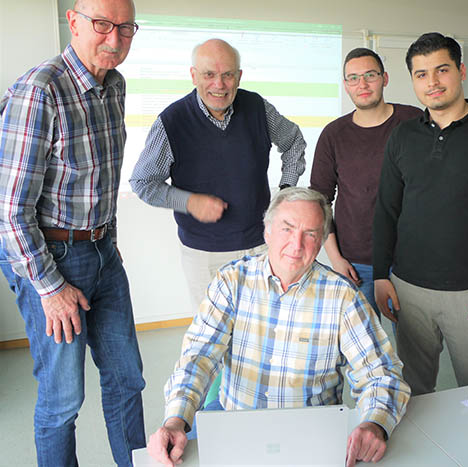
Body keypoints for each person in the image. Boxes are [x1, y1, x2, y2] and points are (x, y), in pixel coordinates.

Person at [146, 187, 410, 467]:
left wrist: (374, 424)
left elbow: (381, 374)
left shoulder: (343, 297)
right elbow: (197, 357)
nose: (297, 245)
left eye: (310, 234)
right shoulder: (232, 281)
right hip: (235, 422)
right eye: (287, 228)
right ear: (267, 232)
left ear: (320, 242)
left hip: (311, 436)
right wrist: (176, 420)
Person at [0, 1, 145, 465]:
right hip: (51, 261)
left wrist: (108, 244)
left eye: (125, 28)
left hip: (103, 252)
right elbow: (10, 209)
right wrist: (50, 288)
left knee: (128, 380)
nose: (114, 38)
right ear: (74, 21)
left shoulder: (114, 85)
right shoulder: (39, 90)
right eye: (103, 24)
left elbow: (101, 180)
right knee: (63, 399)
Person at [372, 32, 468, 395]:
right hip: (409, 290)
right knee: (414, 392)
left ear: (461, 71)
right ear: (412, 80)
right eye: (421, 74)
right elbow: (386, 208)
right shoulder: (402, 136)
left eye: (442, 70)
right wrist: (381, 274)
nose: (433, 82)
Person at [130, 38, 306, 309]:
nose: (219, 85)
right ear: (193, 76)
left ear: (239, 76)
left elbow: (293, 141)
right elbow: (143, 182)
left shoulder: (258, 107)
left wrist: (285, 192)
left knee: (262, 332)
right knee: (213, 337)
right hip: (204, 255)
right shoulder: (171, 121)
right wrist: (189, 202)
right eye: (209, 74)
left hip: (261, 246)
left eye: (227, 75)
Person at [310, 48, 421, 314]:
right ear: (346, 85)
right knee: (360, 347)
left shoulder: (414, 121)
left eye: (370, 75)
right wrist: (335, 259)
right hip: (356, 264)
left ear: (384, 78)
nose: (362, 84)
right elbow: (320, 202)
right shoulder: (333, 134)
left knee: (411, 346)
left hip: (412, 259)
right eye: (353, 78)